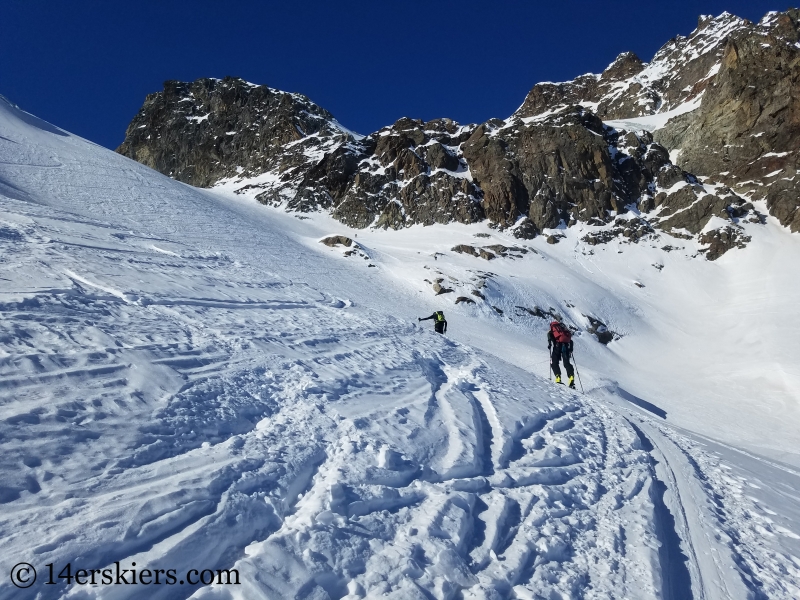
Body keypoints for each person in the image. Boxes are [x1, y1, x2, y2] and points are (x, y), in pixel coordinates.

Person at [548, 321, 575, 388]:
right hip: (566, 347)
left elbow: (549, 336)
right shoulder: (564, 330)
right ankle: (571, 377)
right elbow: (571, 341)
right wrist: (571, 349)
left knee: (554, 362)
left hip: (557, 346)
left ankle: (558, 377)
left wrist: (549, 344)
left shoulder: (552, 331)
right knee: (566, 363)